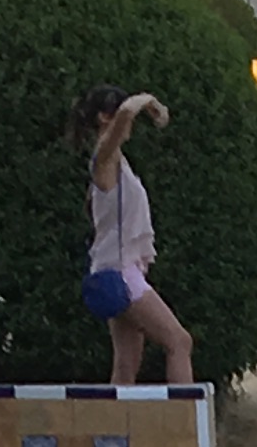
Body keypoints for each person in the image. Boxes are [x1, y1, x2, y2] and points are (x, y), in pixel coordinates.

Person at [75, 84, 193, 388]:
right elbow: (127, 112)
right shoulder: (104, 157)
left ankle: (116, 421)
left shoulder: (117, 164)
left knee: (126, 366)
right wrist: (151, 101)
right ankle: (183, 417)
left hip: (119, 268)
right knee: (179, 342)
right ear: (105, 118)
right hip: (120, 271)